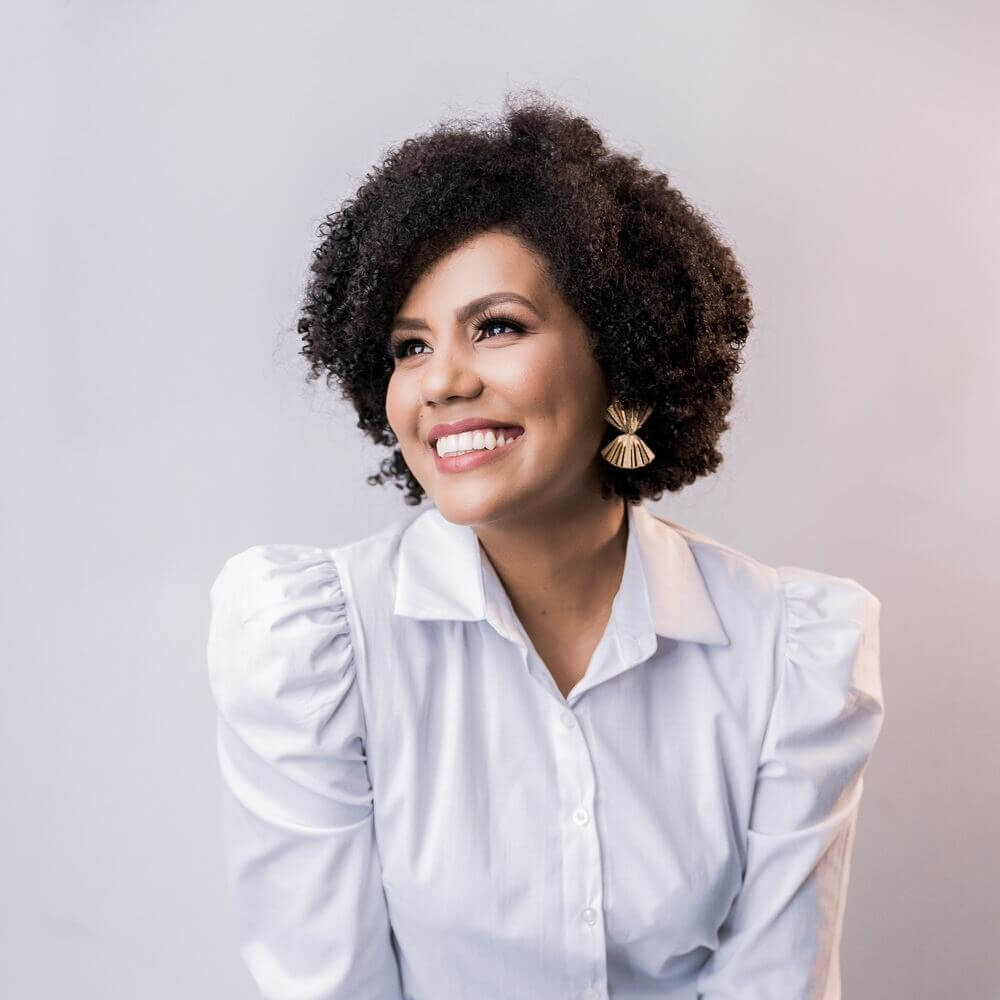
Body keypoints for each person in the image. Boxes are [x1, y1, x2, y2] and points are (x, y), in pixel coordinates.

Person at [206, 93, 885, 1000]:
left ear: (622, 358)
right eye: (409, 347)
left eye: (497, 327)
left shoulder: (790, 653)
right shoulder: (316, 649)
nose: (441, 382)